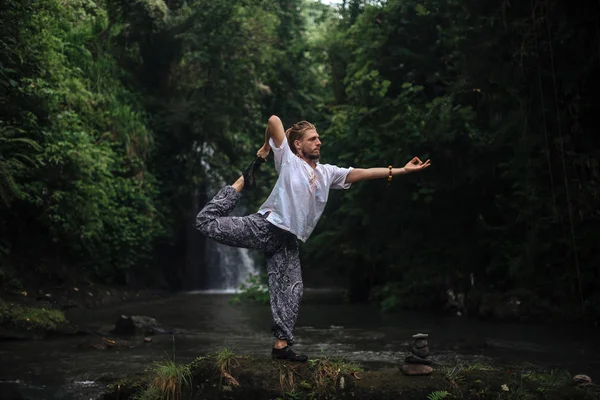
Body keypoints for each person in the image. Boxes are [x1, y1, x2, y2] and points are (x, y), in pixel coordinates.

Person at [196, 115, 431, 362]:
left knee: (293, 291)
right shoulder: (287, 159)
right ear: (298, 144)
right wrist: (267, 147)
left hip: (286, 242)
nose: (319, 141)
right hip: (264, 227)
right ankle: (244, 179)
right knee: (205, 222)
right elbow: (274, 120)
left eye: (319, 137)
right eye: (313, 138)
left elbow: (363, 173)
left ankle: (280, 347)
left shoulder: (327, 173)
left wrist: (401, 170)